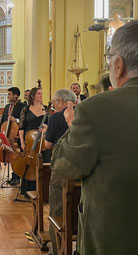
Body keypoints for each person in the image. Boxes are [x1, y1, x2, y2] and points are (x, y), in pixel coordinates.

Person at [51, 20, 138, 255]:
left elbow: (64, 166)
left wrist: (71, 123)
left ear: (118, 65)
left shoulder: (96, 108)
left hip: (114, 240)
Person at [44, 89, 76, 255]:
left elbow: (48, 145)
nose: (54, 105)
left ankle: (58, 250)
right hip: (80, 168)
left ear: (63, 102)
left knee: (57, 209)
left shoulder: (55, 118)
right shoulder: (82, 115)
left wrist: (45, 134)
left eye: (55, 102)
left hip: (61, 168)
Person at [18, 87, 48, 195]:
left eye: (41, 93)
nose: (41, 95)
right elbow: (21, 127)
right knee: (29, 163)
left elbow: (48, 125)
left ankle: (41, 190)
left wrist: (46, 129)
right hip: (29, 141)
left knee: (42, 163)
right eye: (39, 93)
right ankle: (28, 189)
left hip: (41, 141)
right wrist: (22, 142)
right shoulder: (25, 109)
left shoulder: (45, 109)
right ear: (33, 96)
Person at [0, 87, 25, 184]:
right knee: (10, 157)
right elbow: (3, 121)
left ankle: (17, 177)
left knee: (17, 157)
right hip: (8, 135)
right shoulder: (7, 107)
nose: (8, 96)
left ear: (16, 96)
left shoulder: (22, 106)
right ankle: (13, 175)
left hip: (17, 136)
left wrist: (16, 120)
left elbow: (23, 120)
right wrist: (0, 133)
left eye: (9, 94)